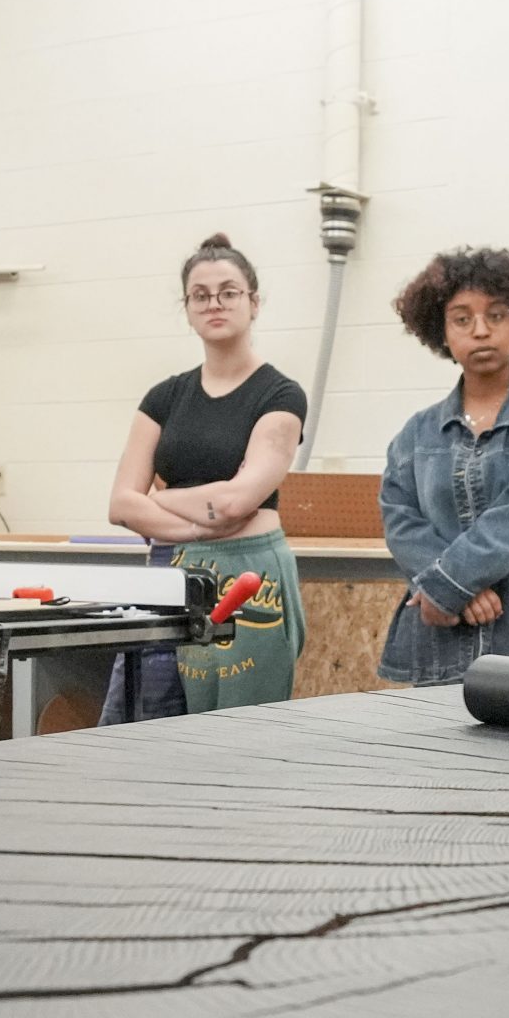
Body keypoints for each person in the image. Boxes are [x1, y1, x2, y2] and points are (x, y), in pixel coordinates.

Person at [104, 233, 309, 718]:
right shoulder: (164, 397)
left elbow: (239, 502)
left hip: (248, 574)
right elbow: (119, 504)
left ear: (254, 302)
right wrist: (201, 522)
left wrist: (164, 497)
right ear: (188, 307)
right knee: (135, 719)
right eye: (200, 295)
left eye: (229, 291)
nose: (214, 303)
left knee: (235, 733)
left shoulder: (281, 395)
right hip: (169, 573)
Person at [378, 247, 509, 686]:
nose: (480, 331)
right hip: (442, 645)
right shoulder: (416, 434)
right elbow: (400, 521)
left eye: (496, 315)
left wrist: (445, 588)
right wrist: (456, 591)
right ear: (441, 330)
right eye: (462, 318)